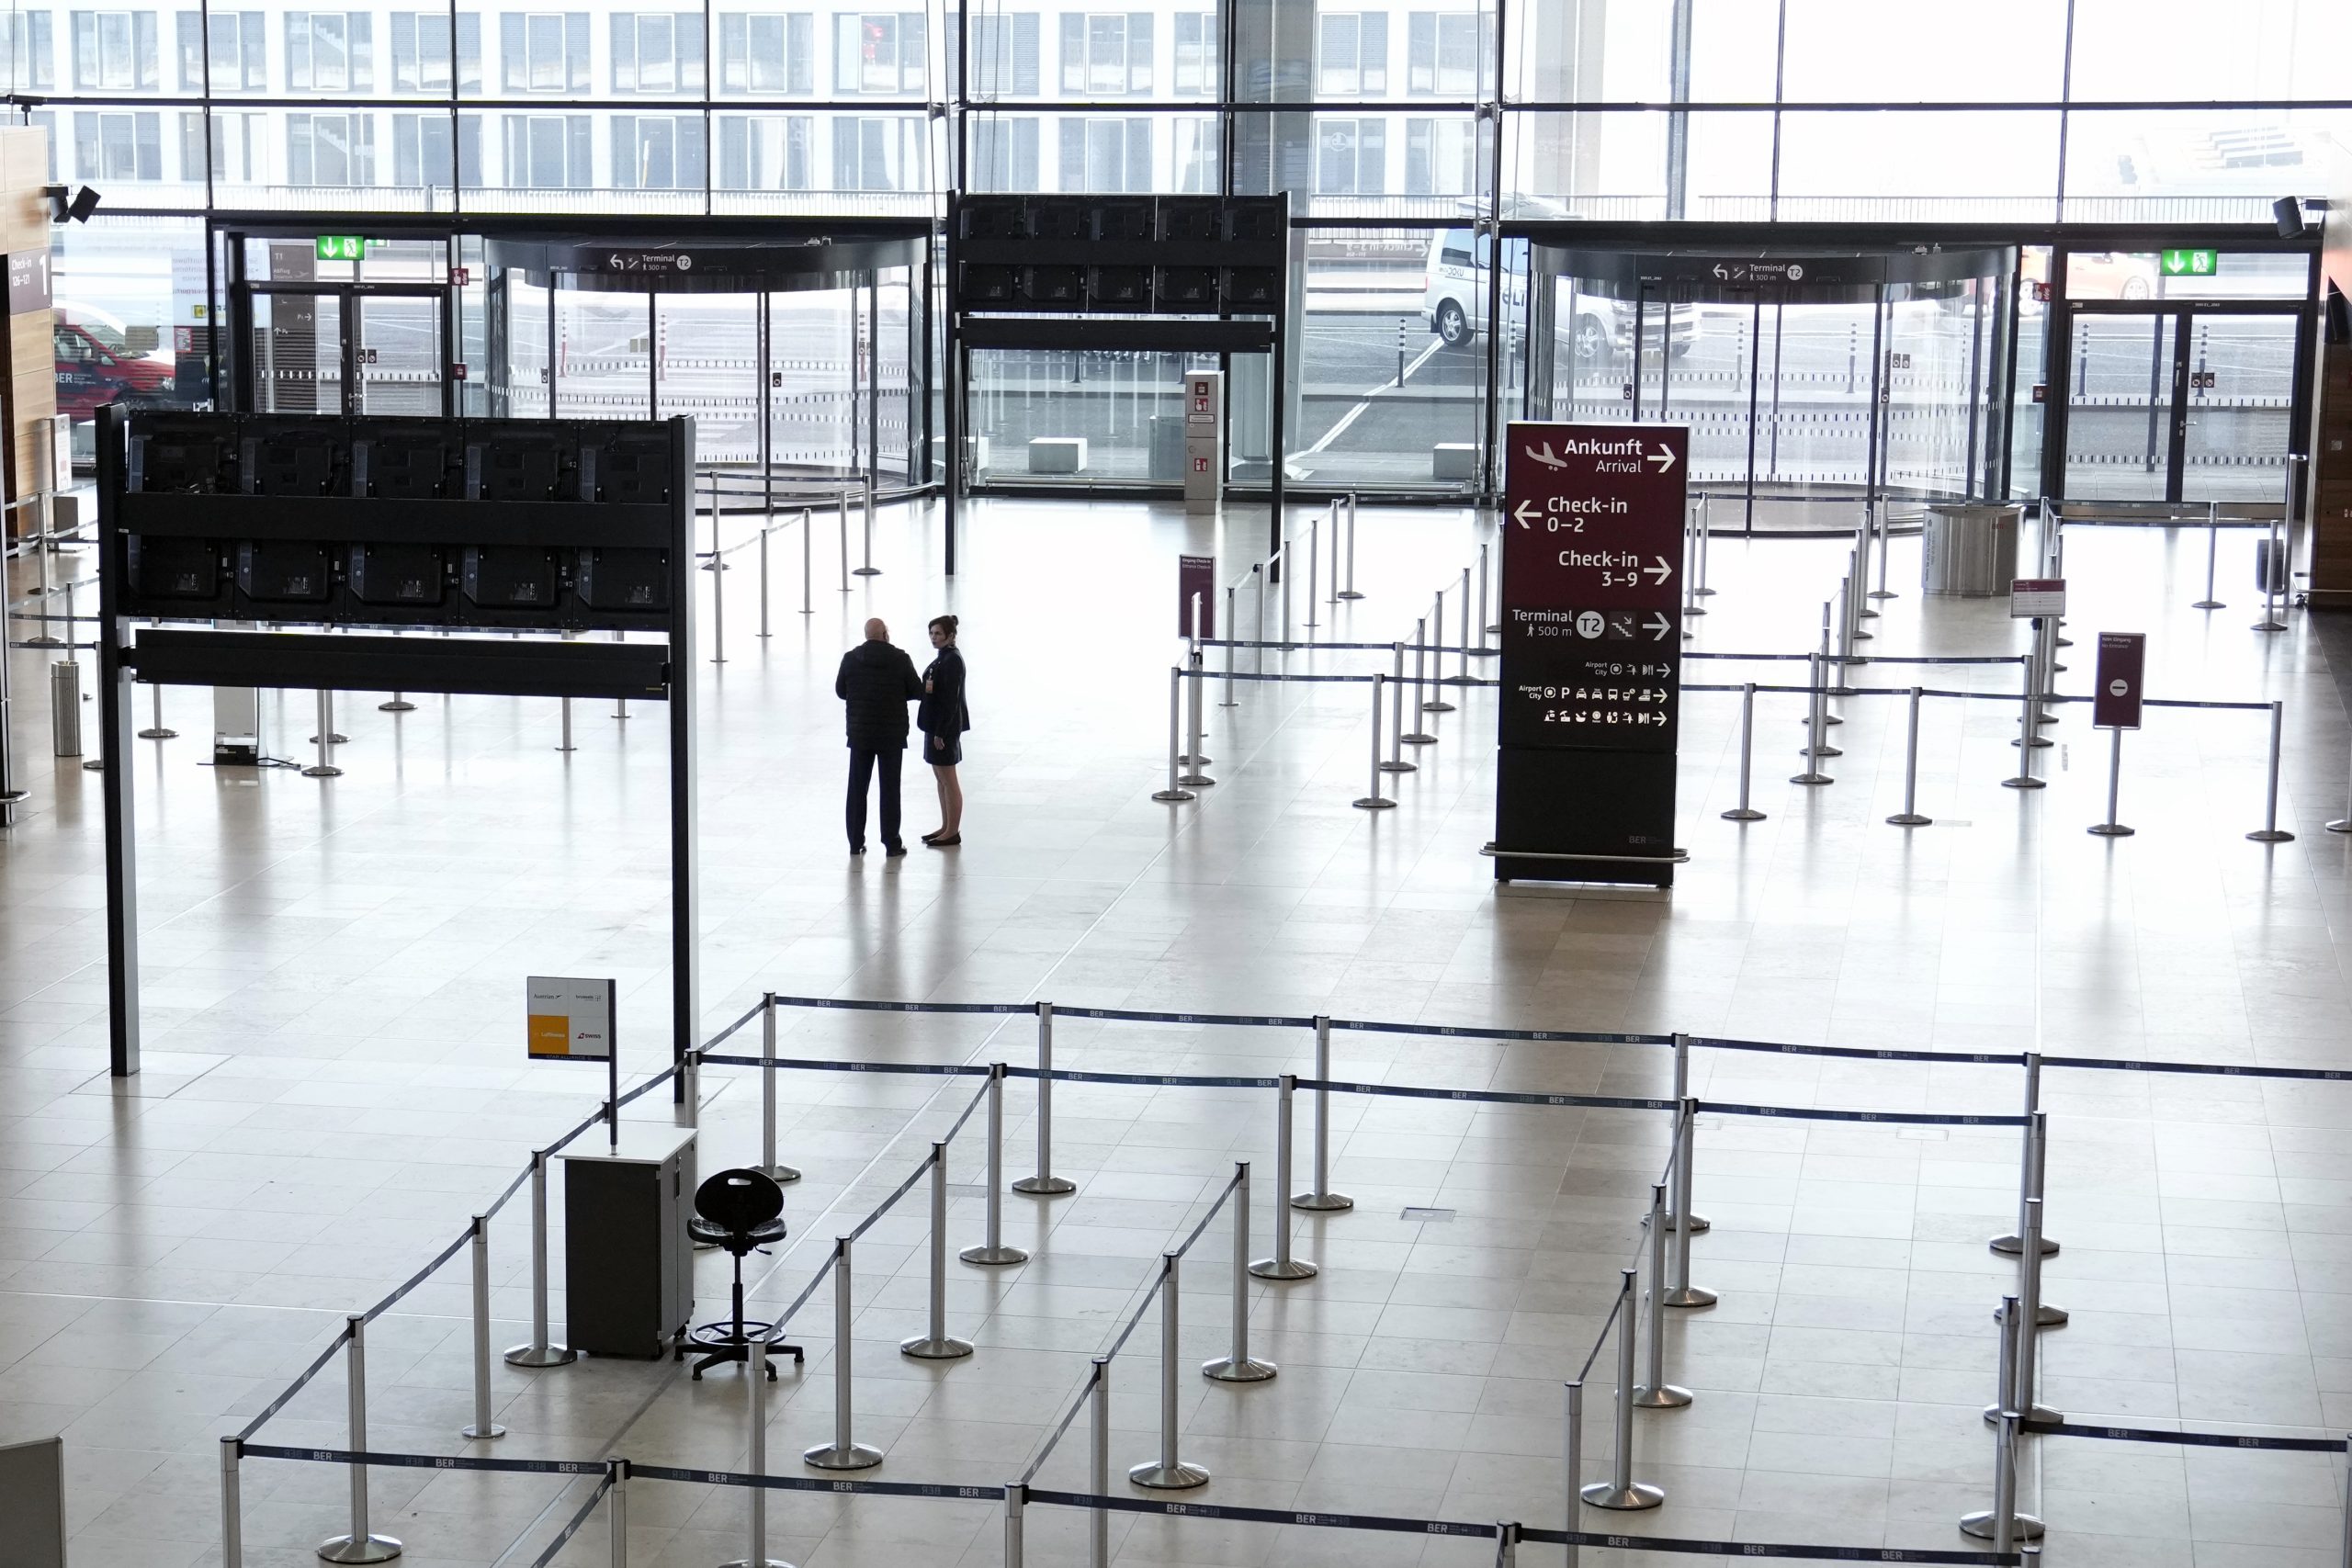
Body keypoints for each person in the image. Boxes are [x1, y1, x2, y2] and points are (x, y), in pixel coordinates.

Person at [834, 617, 922, 856]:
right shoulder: (900, 659)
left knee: (857, 788)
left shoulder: (851, 659)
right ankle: (891, 843)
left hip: (860, 733)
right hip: (891, 734)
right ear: (885, 634)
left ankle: (855, 842)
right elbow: (916, 690)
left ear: (866, 635)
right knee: (890, 789)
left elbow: (840, 691)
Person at [917, 615, 969, 847]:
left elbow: (950, 700)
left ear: (951, 636)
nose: (933, 637)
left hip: (943, 728)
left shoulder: (952, 661)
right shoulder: (943, 658)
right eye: (931, 633)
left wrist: (940, 732)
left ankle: (952, 831)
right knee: (940, 778)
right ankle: (946, 826)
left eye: (938, 633)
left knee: (948, 779)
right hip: (935, 725)